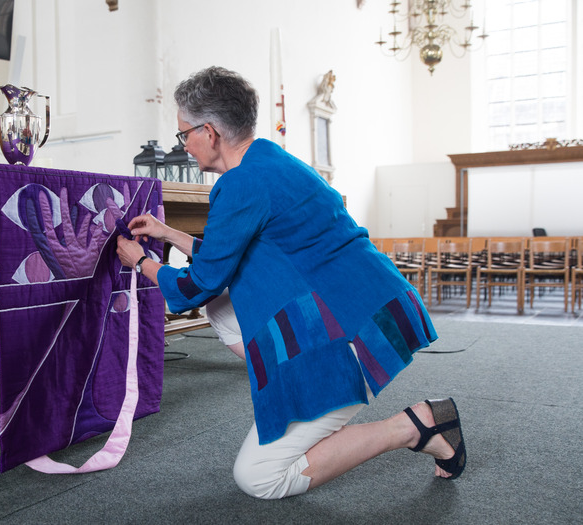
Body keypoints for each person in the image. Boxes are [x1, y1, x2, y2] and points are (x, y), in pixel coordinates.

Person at [116, 66, 466, 499]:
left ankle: (415, 426)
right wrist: (169, 235)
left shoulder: (241, 183)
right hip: (370, 301)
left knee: (259, 478)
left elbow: (197, 285)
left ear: (209, 132)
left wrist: (141, 263)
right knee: (222, 309)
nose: (183, 144)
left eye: (183, 134)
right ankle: (292, 381)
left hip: (350, 328)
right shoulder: (268, 160)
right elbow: (227, 256)